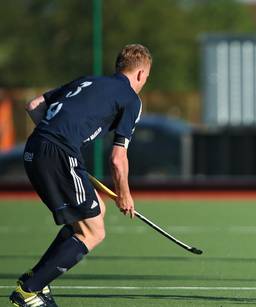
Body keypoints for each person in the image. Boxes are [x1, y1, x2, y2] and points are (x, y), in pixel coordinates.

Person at [9, 44, 152, 307]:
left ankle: (36, 279)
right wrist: (125, 195)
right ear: (141, 74)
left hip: (34, 149)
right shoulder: (131, 99)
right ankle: (29, 291)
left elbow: (33, 106)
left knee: (93, 215)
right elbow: (118, 158)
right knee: (94, 233)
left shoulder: (89, 80)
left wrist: (54, 143)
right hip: (60, 155)